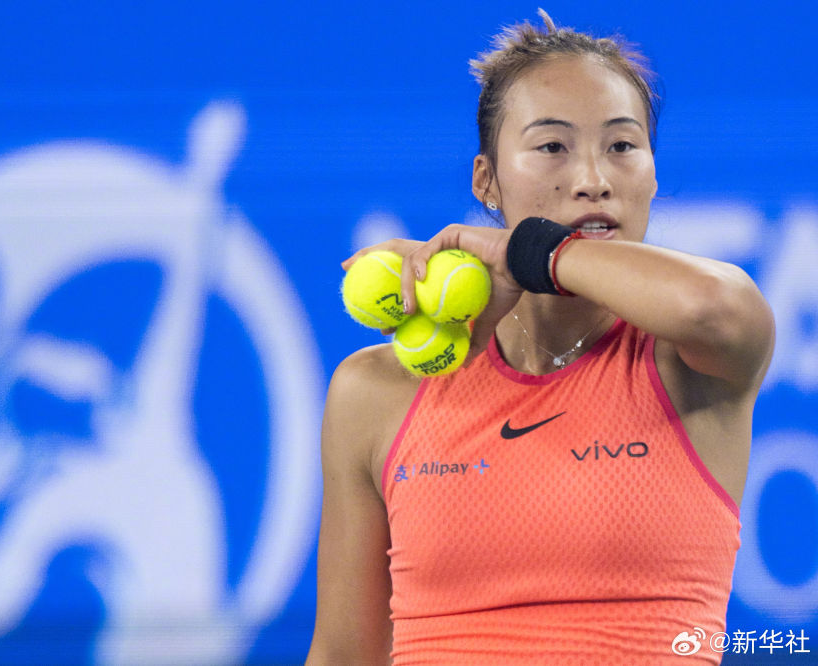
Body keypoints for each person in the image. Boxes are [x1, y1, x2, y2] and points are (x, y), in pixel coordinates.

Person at [306, 10, 774, 665]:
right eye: (553, 146)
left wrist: (530, 252)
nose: (592, 179)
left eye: (622, 146)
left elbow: (712, 306)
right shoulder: (375, 390)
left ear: (652, 175)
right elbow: (342, 654)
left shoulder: (692, 361)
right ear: (486, 181)